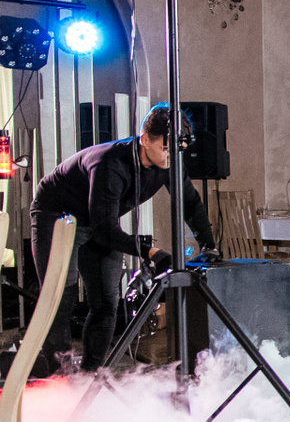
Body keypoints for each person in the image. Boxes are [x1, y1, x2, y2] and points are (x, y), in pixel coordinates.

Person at [28, 102, 216, 371]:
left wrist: (209, 245)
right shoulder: (110, 164)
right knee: (59, 300)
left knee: (106, 303)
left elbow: (190, 202)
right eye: (165, 148)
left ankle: (91, 375)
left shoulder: (170, 161)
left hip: (98, 218)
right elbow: (105, 231)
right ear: (145, 139)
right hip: (56, 213)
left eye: (177, 150)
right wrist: (151, 252)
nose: (171, 157)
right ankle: (61, 378)